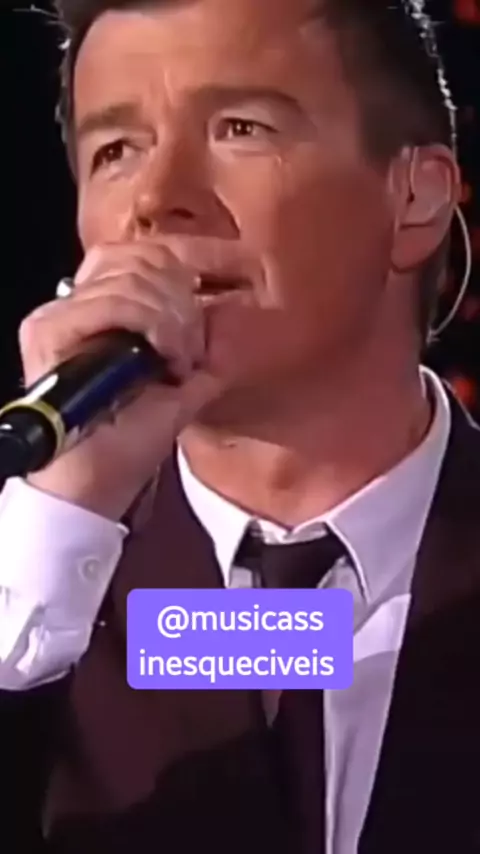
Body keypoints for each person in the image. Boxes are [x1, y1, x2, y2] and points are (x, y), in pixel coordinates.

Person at [1, 0, 479, 851]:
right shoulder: (39, 591)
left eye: (241, 129)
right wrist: (63, 514)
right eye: (116, 151)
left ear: (414, 196)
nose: (157, 200)